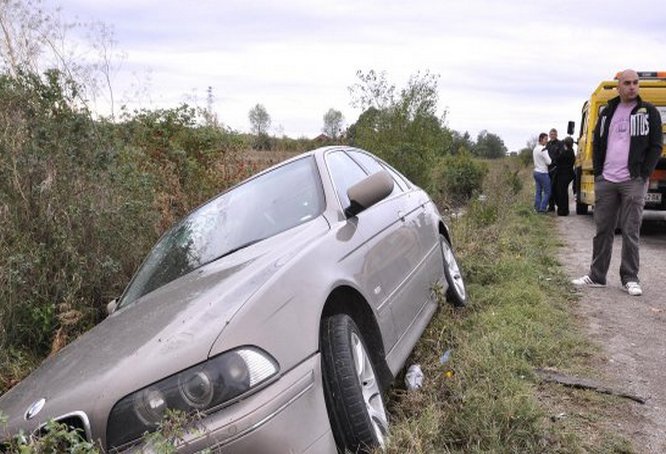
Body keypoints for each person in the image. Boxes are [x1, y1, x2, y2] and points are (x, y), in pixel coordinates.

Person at [572, 69, 663, 296]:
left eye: (635, 83)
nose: (632, 87)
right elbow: (598, 141)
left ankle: (630, 277)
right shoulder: (607, 112)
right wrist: (600, 173)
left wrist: (644, 174)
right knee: (603, 229)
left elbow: (655, 146)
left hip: (633, 180)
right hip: (607, 180)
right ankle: (597, 276)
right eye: (627, 83)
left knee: (631, 230)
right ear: (618, 86)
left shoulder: (648, 112)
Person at [553, 136, 576, 216]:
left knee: (561, 193)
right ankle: (565, 210)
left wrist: (557, 152)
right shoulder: (572, 151)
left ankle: (562, 210)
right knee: (564, 192)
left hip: (562, 174)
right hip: (569, 174)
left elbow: (557, 160)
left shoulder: (564, 153)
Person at [545, 128, 564, 212]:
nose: (552, 136)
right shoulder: (547, 144)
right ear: (549, 135)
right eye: (551, 134)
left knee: (556, 188)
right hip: (548, 169)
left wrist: (556, 164)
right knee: (549, 188)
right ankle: (551, 206)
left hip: (556, 169)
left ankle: (559, 205)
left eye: (554, 134)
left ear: (556, 135)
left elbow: (561, 155)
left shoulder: (560, 144)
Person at [532, 132, 551, 213]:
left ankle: (537, 207)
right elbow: (549, 162)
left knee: (538, 191)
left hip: (536, 172)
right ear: (541, 139)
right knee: (548, 192)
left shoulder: (535, 149)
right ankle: (542, 208)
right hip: (543, 172)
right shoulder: (543, 149)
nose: (547, 141)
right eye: (546, 139)